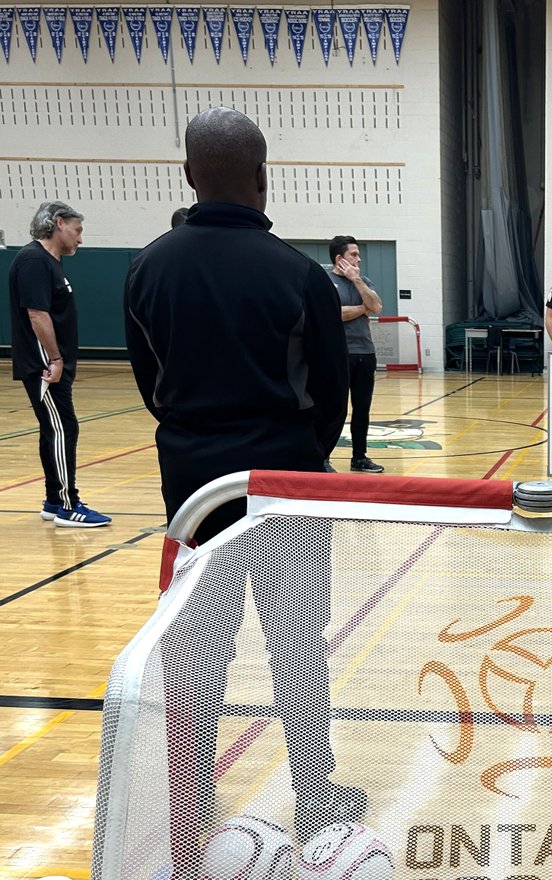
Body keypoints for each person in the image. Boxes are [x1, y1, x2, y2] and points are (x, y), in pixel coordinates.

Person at [123, 106, 366, 840]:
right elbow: (330, 396)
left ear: (190, 176)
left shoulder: (147, 268)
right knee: (297, 641)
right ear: (264, 178)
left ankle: (191, 807)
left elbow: (147, 384)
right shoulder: (297, 275)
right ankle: (314, 793)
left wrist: (197, 442)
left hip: (194, 498)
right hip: (287, 492)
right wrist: (296, 455)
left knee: (201, 644)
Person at [7, 201, 112, 527]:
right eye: (77, 230)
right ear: (59, 223)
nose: (80, 239)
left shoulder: (47, 262)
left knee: (55, 428)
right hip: (44, 364)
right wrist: (54, 358)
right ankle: (68, 504)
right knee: (64, 427)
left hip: (51, 363)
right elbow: (37, 314)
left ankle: (54, 499)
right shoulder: (34, 260)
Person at [328, 234, 384, 473]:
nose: (359, 259)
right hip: (337, 353)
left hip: (365, 353)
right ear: (340, 258)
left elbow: (378, 307)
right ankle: (323, 457)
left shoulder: (364, 280)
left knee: (362, 408)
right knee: (334, 407)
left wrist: (357, 281)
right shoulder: (325, 281)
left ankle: (359, 458)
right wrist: (363, 309)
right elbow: (332, 313)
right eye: (354, 254)